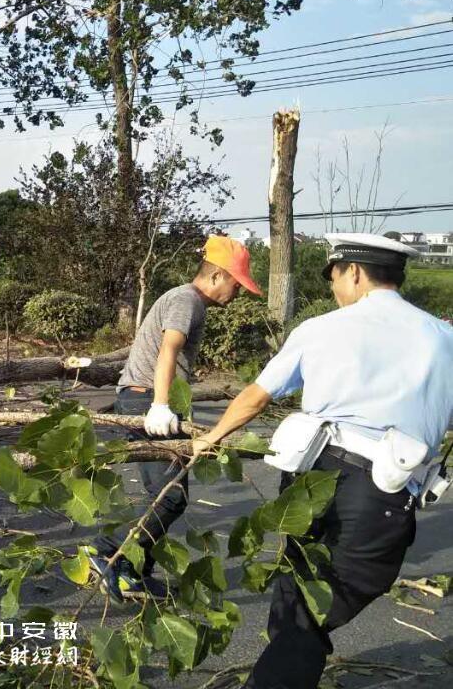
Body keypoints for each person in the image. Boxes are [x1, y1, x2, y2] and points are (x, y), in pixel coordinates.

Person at [191, 233, 453, 689]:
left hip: (313, 479)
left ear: (354, 272)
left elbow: (255, 397)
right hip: (386, 496)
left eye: (334, 276)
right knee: (305, 605)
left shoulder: (321, 329)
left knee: (304, 604)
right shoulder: (444, 337)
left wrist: (210, 437)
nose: (333, 288)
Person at [91, 234, 262, 601]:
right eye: (236, 284)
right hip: (147, 401)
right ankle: (107, 551)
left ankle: (133, 570)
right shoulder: (187, 300)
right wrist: (161, 404)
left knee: (166, 494)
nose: (238, 293)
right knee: (169, 497)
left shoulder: (183, 299)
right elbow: (168, 349)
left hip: (147, 399)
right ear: (217, 275)